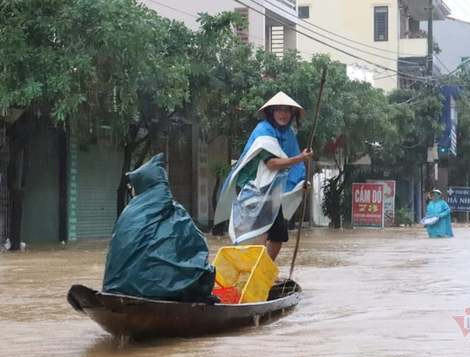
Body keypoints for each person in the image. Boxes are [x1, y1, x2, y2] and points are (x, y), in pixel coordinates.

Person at [103, 153, 216, 302]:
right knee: (203, 272)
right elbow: (197, 248)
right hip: (162, 291)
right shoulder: (177, 213)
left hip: (116, 288)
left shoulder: (127, 213)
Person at [214, 91, 313, 260]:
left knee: (278, 236)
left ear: (292, 114)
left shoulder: (289, 135)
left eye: (287, 110)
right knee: (259, 233)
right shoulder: (263, 131)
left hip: (273, 195)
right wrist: (301, 158)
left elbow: (294, 168)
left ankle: (262, 270)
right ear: (271, 112)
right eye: (279, 110)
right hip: (256, 191)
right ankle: (253, 271)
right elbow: (272, 164)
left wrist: (301, 183)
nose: (283, 114)